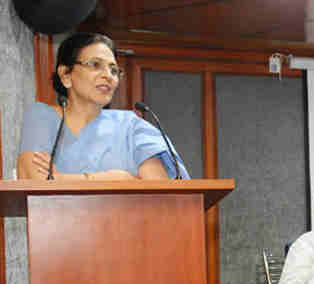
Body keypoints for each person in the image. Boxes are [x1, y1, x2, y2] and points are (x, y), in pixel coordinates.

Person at [17, 32, 189, 180]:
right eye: (95, 65)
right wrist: (119, 179)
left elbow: (159, 191)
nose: (108, 75)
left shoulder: (130, 125)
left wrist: (63, 179)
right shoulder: (41, 116)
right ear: (65, 74)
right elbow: (36, 184)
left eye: (114, 70)